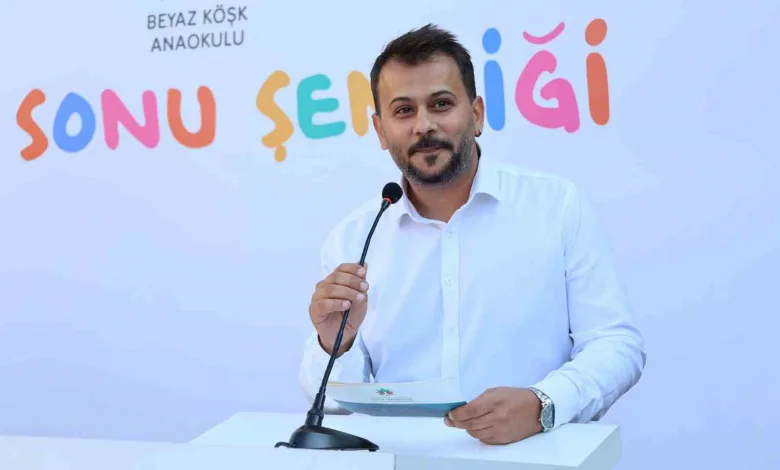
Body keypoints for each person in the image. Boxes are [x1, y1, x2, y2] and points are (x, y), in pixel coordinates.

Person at [298, 24, 645, 445]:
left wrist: (544, 404)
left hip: (533, 456)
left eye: (441, 104)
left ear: (476, 114)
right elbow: (337, 408)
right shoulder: (353, 238)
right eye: (403, 111)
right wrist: (337, 342)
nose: (424, 125)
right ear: (381, 130)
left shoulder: (556, 206)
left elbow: (615, 344)